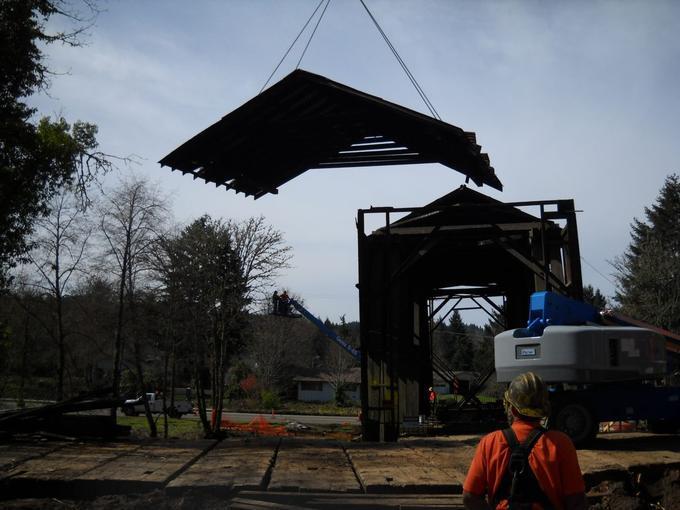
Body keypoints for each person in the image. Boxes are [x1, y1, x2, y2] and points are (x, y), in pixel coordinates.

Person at [463, 372, 586, 510]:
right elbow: (576, 502)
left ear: (512, 408)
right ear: (543, 409)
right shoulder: (560, 444)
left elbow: (470, 497)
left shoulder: (490, 443)